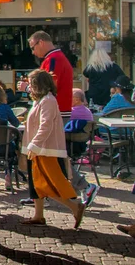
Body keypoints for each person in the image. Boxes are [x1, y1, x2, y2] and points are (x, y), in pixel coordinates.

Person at [20, 69, 86, 228]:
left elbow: (46, 124)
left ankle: (75, 206)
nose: (29, 87)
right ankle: (38, 215)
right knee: (37, 183)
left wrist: (34, 144)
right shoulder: (42, 100)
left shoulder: (48, 101)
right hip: (39, 149)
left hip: (45, 150)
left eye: (31, 84)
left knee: (48, 184)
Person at [17, 31, 73, 112]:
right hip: (57, 110)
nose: (33, 52)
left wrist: (27, 88)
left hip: (55, 111)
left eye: (33, 48)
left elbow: (48, 88)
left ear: (41, 43)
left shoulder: (53, 59)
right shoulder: (55, 57)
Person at [65, 89, 100, 207]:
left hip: (71, 145)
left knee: (58, 158)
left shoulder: (72, 112)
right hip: (82, 144)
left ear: (76, 99)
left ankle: (82, 185)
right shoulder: (87, 111)